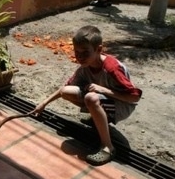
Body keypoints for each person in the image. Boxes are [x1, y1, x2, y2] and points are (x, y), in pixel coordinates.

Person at [31, 26, 142, 166]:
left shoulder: (112, 68)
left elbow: (134, 98)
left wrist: (104, 90)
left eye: (85, 52)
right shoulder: (85, 66)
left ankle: (108, 147)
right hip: (104, 100)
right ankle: (97, 116)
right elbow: (63, 89)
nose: (80, 57)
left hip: (122, 105)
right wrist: (43, 104)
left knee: (91, 98)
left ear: (99, 49)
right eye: (77, 52)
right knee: (67, 91)